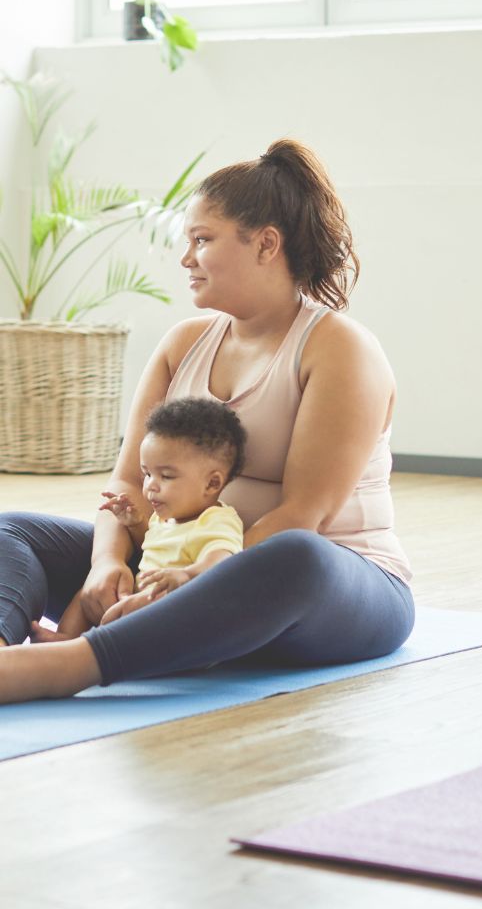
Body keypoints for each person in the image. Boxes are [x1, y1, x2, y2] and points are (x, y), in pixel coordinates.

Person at [0, 139, 414, 701]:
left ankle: (74, 666)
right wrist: (107, 562)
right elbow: (126, 484)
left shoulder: (340, 350)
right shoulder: (183, 344)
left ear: (266, 244)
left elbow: (302, 516)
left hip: (326, 588)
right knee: (10, 530)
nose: (186, 258)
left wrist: (194, 581)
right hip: (175, 567)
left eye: (202, 240)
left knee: (296, 557)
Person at [42, 397, 247, 640]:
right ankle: (66, 637)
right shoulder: (166, 518)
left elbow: (222, 561)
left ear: (212, 483)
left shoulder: (216, 520)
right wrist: (135, 523)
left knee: (129, 618)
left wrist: (187, 575)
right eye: (147, 473)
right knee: (89, 590)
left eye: (166, 476)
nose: (151, 486)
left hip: (173, 607)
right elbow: (150, 548)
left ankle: (89, 650)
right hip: (141, 595)